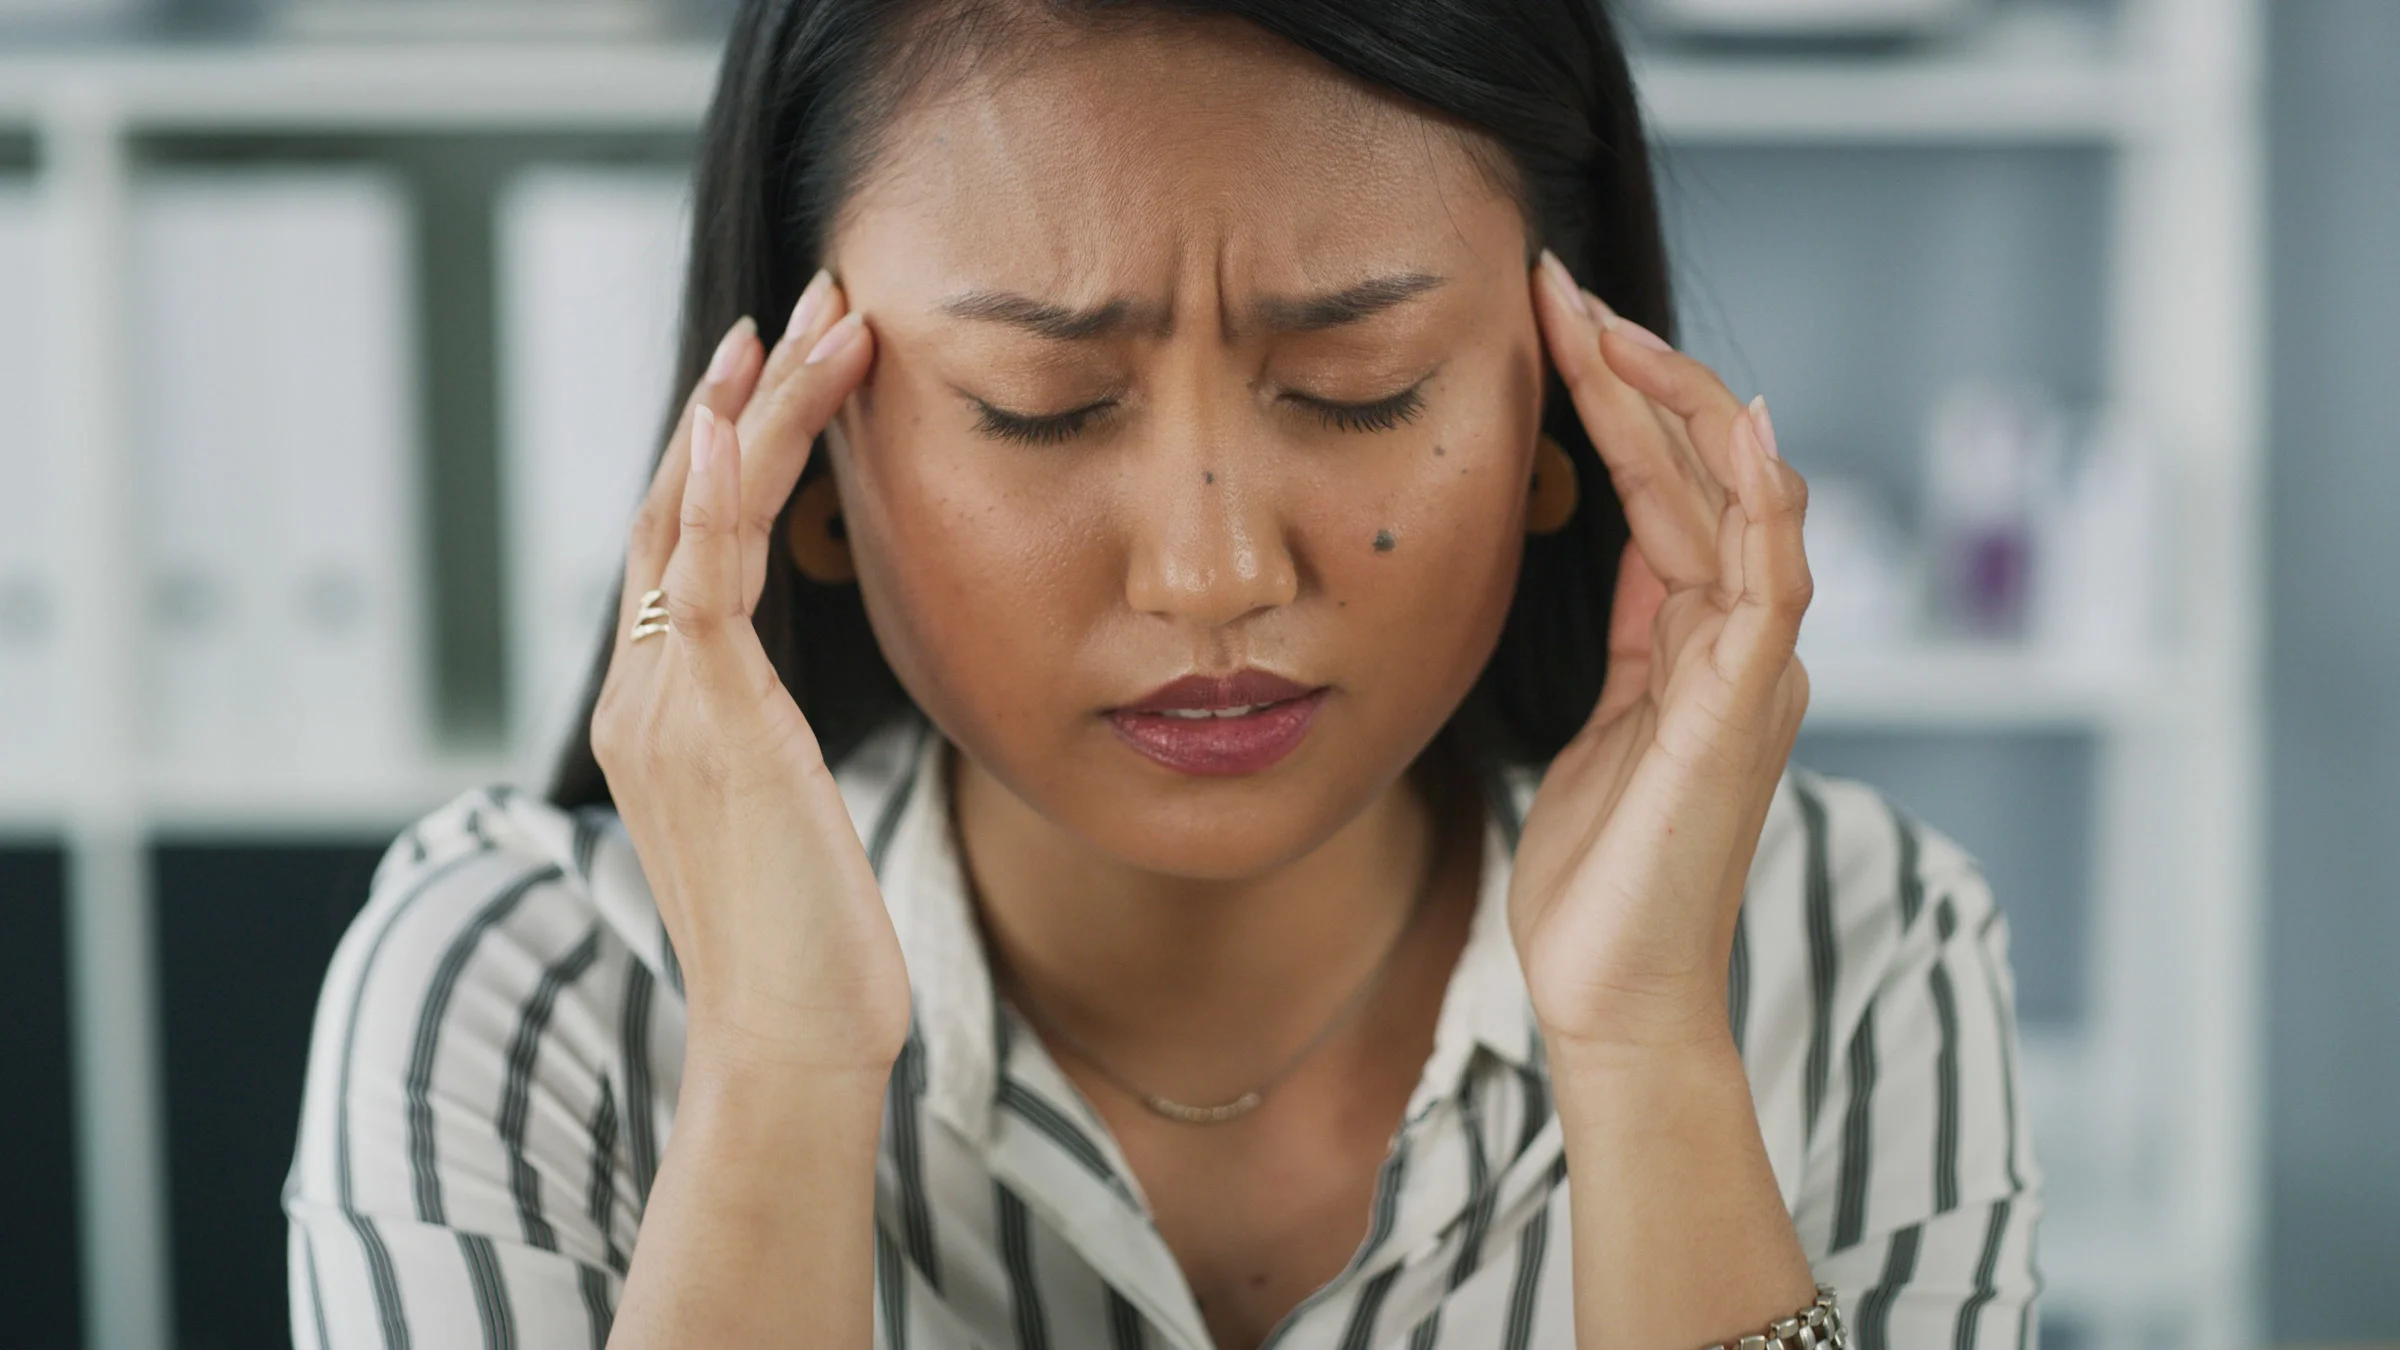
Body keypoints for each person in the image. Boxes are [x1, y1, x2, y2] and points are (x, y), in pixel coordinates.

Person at [283, 1, 2043, 1346]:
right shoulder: (519, 1002)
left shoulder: (1859, 949)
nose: (1212, 571)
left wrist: (1655, 1054)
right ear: (802, 465)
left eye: (1358, 383)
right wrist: (775, 1073)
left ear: (1558, 420)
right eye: (1043, 410)